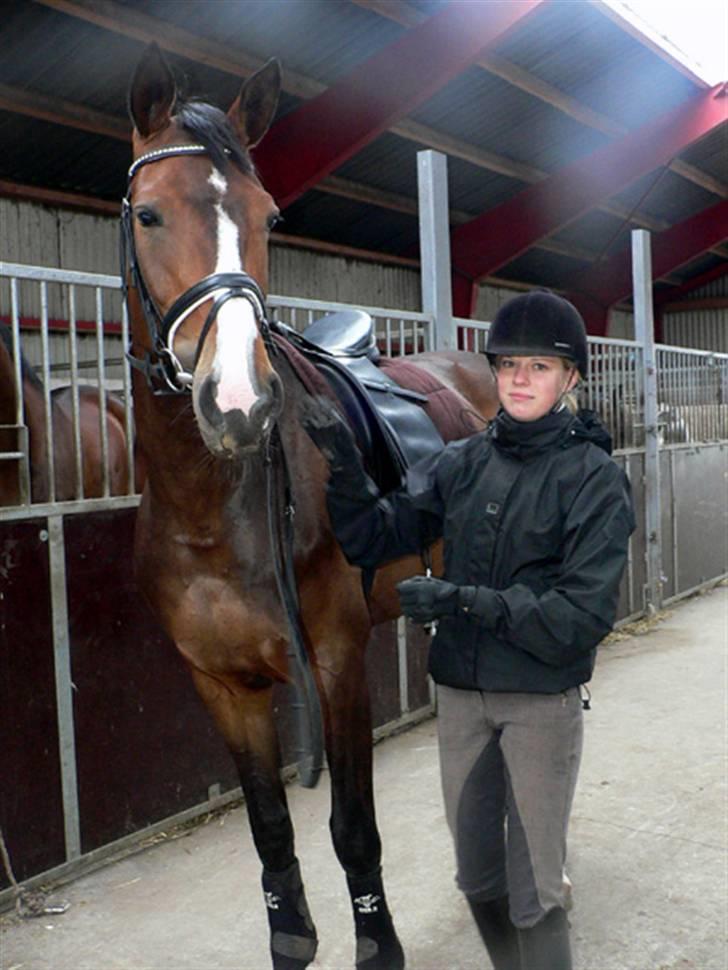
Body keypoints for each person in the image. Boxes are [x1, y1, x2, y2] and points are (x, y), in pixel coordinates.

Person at [302, 290, 635, 970]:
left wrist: (463, 602)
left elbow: (580, 618)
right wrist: (342, 465)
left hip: (540, 700)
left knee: (534, 884)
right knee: (476, 873)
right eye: (509, 363)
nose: (518, 378)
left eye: (539, 366)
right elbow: (374, 535)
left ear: (570, 378)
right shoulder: (465, 461)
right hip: (461, 697)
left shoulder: (595, 479)